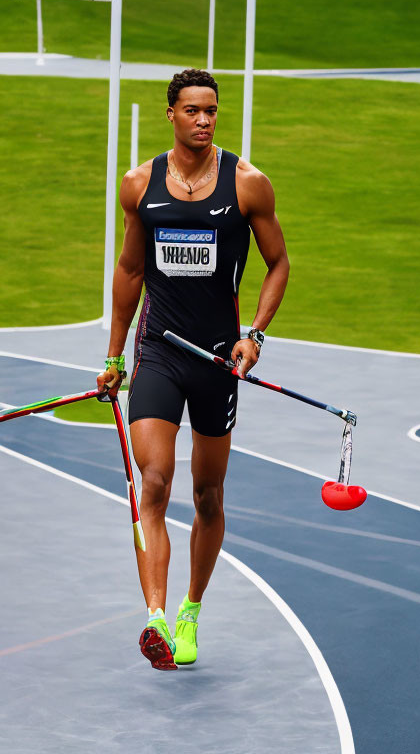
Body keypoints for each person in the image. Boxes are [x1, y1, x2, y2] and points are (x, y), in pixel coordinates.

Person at [97, 68, 289, 671]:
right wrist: (113, 354)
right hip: (158, 352)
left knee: (207, 494)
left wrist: (254, 335)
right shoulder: (139, 185)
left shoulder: (248, 185)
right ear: (170, 114)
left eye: (212, 111)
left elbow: (279, 263)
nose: (204, 120)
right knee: (153, 483)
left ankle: (189, 611)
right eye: (192, 110)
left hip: (216, 361)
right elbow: (130, 272)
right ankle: (154, 617)